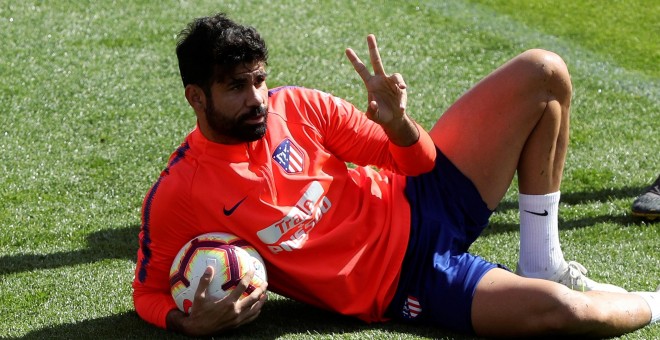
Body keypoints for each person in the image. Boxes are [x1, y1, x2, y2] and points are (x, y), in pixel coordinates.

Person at [132, 13, 660, 338]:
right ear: (196, 97)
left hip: (424, 194)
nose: (256, 99)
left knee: (543, 72)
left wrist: (400, 125)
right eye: (235, 87)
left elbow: (419, 162)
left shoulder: (300, 107)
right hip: (410, 280)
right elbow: (147, 292)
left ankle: (541, 259)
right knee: (567, 314)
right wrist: (185, 323)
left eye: (260, 80)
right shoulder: (179, 192)